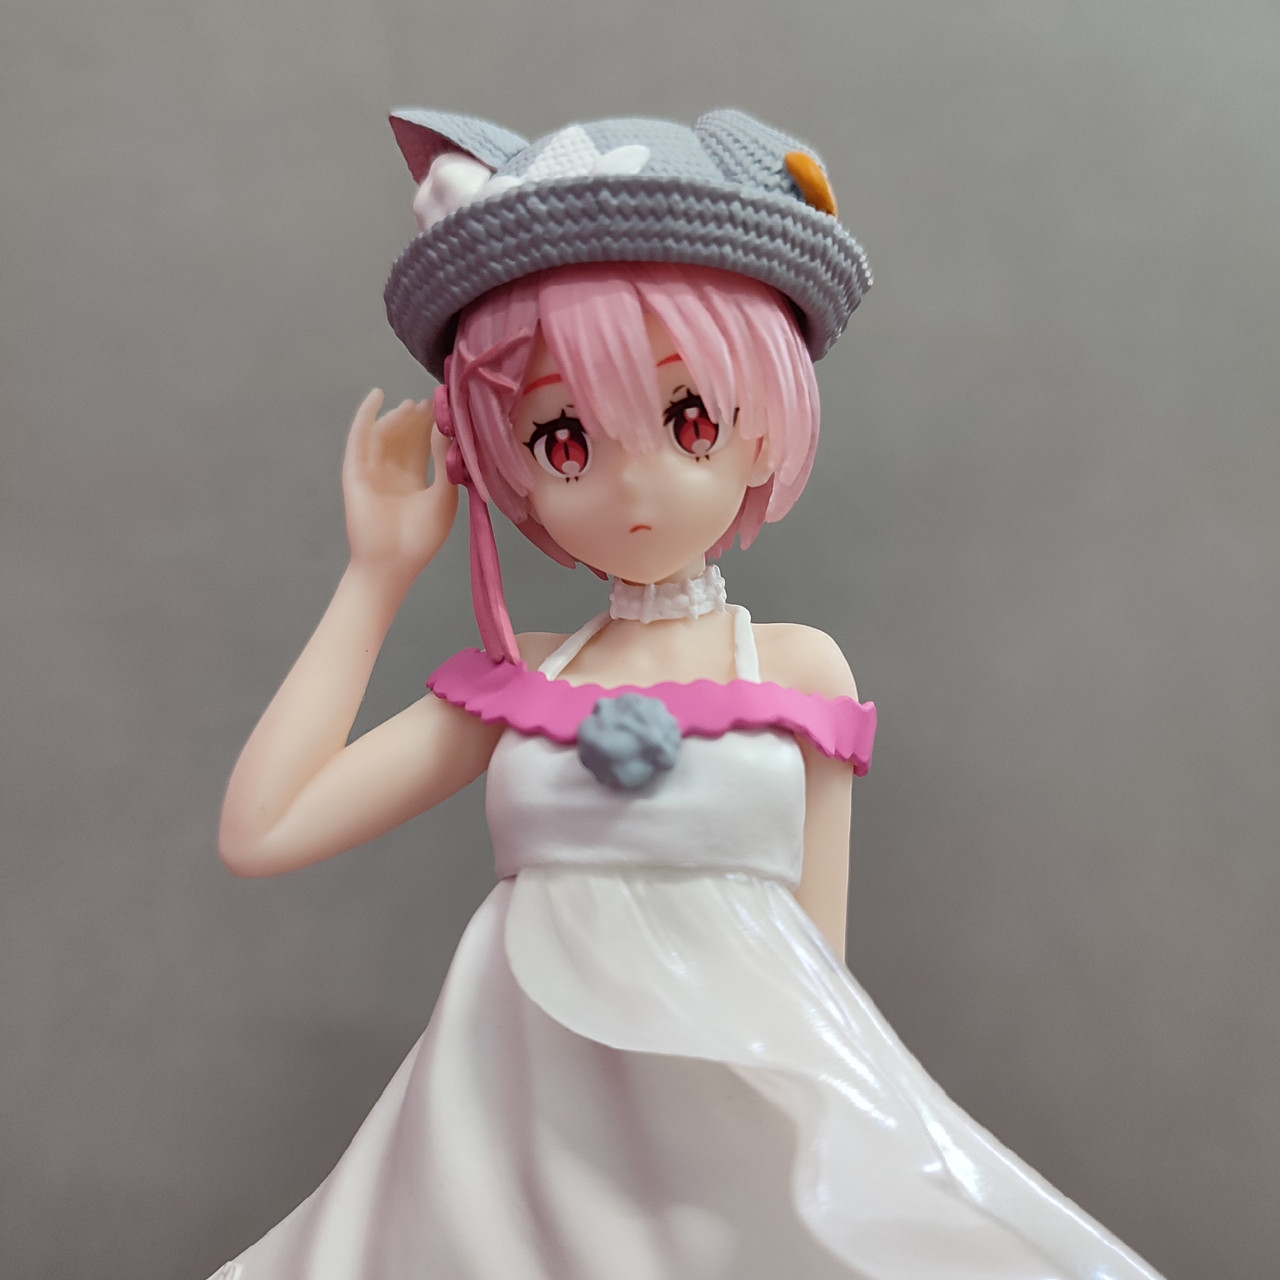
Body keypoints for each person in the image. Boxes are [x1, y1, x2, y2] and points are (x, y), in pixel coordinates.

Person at [209, 109, 1163, 1280]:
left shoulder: (797, 671)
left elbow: (819, 964)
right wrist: (376, 574)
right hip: (517, 1151)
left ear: (760, 427)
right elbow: (264, 827)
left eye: (686, 419)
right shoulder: (524, 680)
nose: (636, 482)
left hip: (724, 1145)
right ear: (506, 459)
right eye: (563, 438)